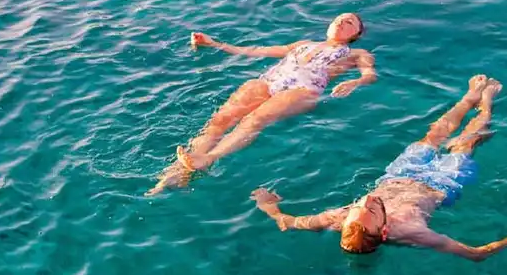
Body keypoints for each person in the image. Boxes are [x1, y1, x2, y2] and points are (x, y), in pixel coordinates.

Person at [251, 75, 507, 260]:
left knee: (433, 135)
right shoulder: (414, 232)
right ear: (385, 231)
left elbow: (289, 222)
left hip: (401, 174)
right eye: (373, 209)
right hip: (442, 185)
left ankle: (468, 98)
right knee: (465, 143)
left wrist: (268, 205)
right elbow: (476, 254)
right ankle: (486, 103)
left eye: (359, 206)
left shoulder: (338, 218)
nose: (367, 200)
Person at [146, 13, 375, 196]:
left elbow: (369, 74)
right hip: (270, 81)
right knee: (221, 119)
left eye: (349, 22)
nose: (341, 22)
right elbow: (257, 51)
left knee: (255, 119)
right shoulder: (303, 44)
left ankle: (208, 159)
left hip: (304, 89)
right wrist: (214, 43)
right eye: (339, 19)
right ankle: (179, 171)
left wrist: (355, 82)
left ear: (356, 34)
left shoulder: (356, 52)